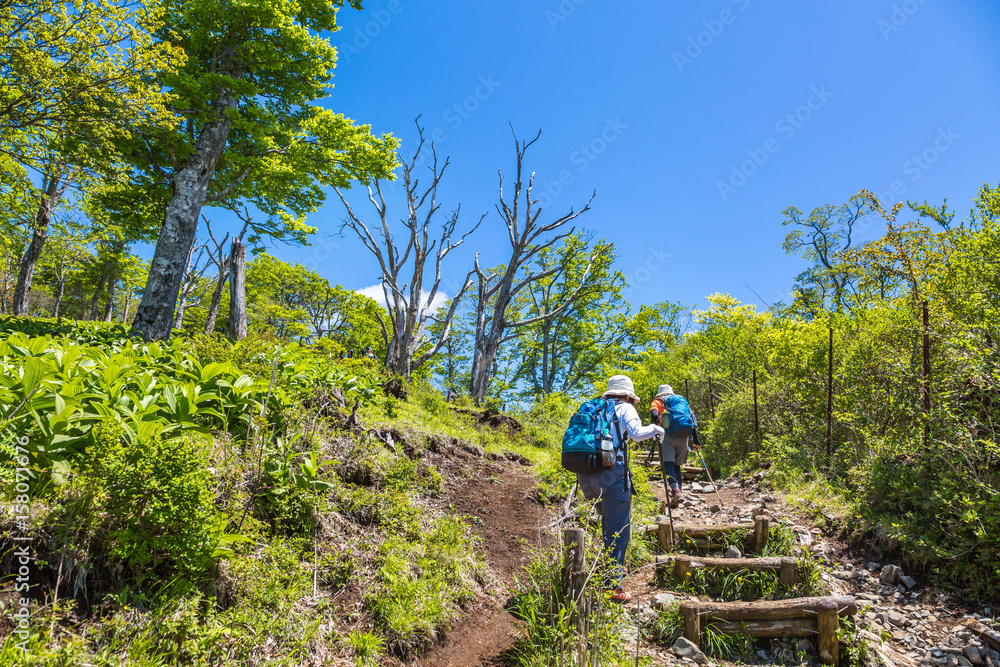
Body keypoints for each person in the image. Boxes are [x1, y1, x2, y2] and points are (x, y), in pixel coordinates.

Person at [577, 374, 664, 603]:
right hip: (612, 475)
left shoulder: (594, 408)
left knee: (609, 524)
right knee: (620, 531)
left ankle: (613, 567)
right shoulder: (624, 408)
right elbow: (636, 434)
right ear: (627, 395)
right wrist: (656, 429)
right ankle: (612, 588)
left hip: (587, 477)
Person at [650, 384, 701, 507]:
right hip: (683, 436)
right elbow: (692, 421)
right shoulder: (681, 402)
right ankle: (679, 494)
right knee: (677, 466)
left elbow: (654, 415)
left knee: (668, 466)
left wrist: (656, 429)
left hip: (667, 436)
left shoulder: (657, 402)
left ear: (659, 393)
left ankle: (676, 491)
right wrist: (696, 440)